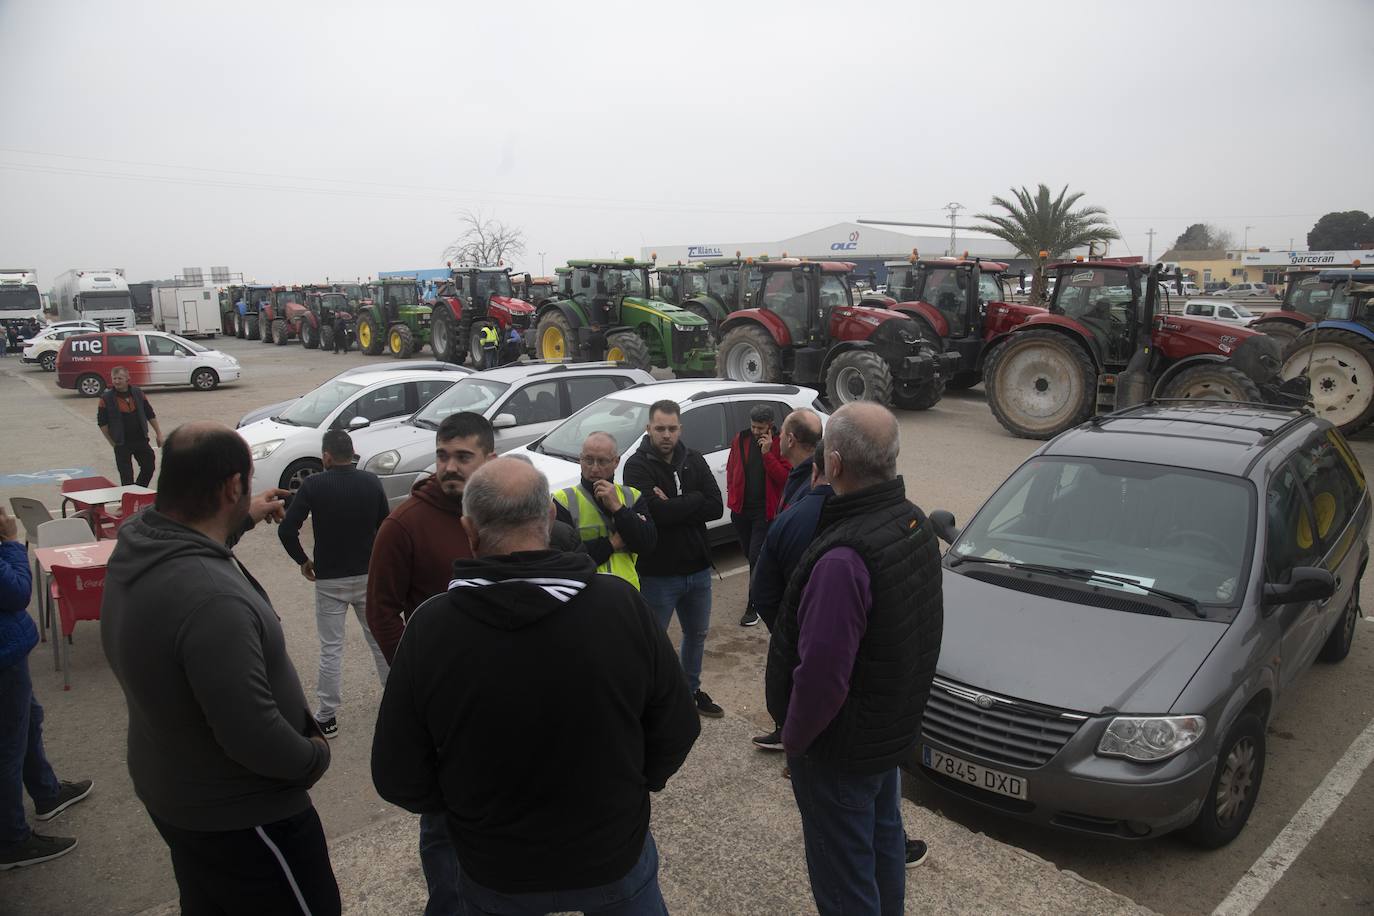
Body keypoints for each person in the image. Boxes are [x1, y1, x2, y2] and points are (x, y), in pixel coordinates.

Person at [371, 458, 700, 915]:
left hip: (496, 869)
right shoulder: (620, 605)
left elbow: (396, 772)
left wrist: (464, 811)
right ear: (549, 518)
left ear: (468, 530)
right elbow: (678, 725)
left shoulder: (430, 627)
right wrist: (636, 786)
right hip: (611, 854)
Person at [101, 423, 340, 914]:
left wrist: (242, 519)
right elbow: (252, 735)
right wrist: (313, 757)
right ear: (233, 486)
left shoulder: (140, 541)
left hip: (178, 790)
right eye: (246, 483)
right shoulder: (211, 599)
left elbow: (192, 537)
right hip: (245, 817)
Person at [769, 403, 943, 915]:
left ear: (836, 464)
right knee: (884, 845)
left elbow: (822, 679)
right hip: (884, 738)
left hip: (839, 753)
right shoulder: (911, 519)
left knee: (844, 878)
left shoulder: (844, 560)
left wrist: (795, 741)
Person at [365, 410, 494, 916]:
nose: (449, 466)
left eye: (464, 456)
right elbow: (381, 610)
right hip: (442, 710)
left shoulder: (501, 512)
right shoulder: (404, 524)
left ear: (490, 459)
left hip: (502, 701)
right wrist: (417, 679)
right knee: (443, 830)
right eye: (443, 455)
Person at [278, 430, 391, 739]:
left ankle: (327, 717)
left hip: (329, 580)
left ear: (326, 456)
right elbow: (387, 526)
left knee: (331, 649)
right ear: (351, 454)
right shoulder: (371, 482)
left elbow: (287, 530)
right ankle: (396, 703)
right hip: (367, 575)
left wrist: (303, 560)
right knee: (379, 642)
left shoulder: (314, 485)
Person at [0, 505, 92, 870]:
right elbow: (17, 592)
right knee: (9, 743)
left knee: (28, 721)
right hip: (4, 655)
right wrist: (8, 542)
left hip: (10, 652)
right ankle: (11, 839)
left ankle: (46, 793)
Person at [623, 399, 727, 719]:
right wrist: (691, 503)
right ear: (648, 429)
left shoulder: (693, 459)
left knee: (696, 635)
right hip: (658, 573)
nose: (666, 435)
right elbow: (653, 514)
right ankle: (650, 700)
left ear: (680, 429)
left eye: (672, 428)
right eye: (660, 428)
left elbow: (715, 507)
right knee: (652, 642)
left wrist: (680, 503)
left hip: (697, 570)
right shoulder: (636, 466)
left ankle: (690, 690)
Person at [552, 432, 656, 589]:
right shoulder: (563, 500)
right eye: (588, 460)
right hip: (584, 593)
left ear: (616, 461)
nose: (594, 468)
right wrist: (611, 544)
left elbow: (647, 544)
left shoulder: (631, 496)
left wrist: (618, 509)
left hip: (627, 592)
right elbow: (564, 560)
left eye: (602, 461)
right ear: (580, 459)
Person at [725, 404, 790, 626]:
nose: (755, 431)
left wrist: (767, 454)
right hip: (741, 510)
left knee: (755, 557)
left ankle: (754, 605)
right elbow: (732, 467)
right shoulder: (740, 439)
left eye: (760, 428)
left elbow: (784, 478)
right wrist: (732, 494)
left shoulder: (781, 443)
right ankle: (772, 586)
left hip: (765, 512)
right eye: (753, 426)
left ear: (770, 426)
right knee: (751, 555)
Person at [97, 366, 163, 487]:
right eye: (114, 378)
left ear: (128, 379)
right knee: (126, 476)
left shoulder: (138, 393)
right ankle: (129, 500)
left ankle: (138, 491)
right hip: (121, 443)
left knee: (149, 467)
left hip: (140, 439)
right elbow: (102, 423)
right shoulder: (105, 398)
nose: (116, 381)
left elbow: (150, 413)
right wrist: (112, 442)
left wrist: (159, 434)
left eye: (120, 378)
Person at [775, 408, 822, 514]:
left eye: (782, 431)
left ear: (790, 440)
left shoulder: (811, 487)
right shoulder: (804, 474)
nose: (779, 436)